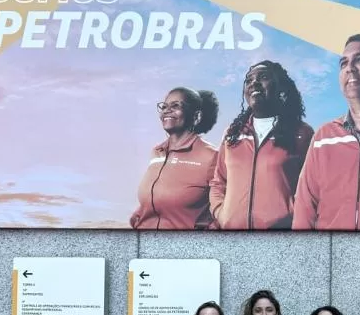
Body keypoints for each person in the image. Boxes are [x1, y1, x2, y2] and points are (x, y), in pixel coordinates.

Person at [293, 35, 360, 230]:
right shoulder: (323, 137)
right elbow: (305, 205)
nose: (350, 68)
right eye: (344, 63)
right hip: (333, 254)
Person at [210, 62, 313, 230]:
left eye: (263, 77)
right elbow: (218, 182)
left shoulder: (302, 133)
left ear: (281, 88)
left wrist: (292, 219)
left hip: (281, 239)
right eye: (249, 80)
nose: (254, 83)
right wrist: (221, 214)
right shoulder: (232, 133)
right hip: (233, 237)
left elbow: (313, 188)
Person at [130, 87, 220, 230]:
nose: (167, 110)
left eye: (176, 106)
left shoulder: (212, 156)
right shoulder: (157, 152)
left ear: (196, 116)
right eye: (164, 106)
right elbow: (151, 202)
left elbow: (225, 210)